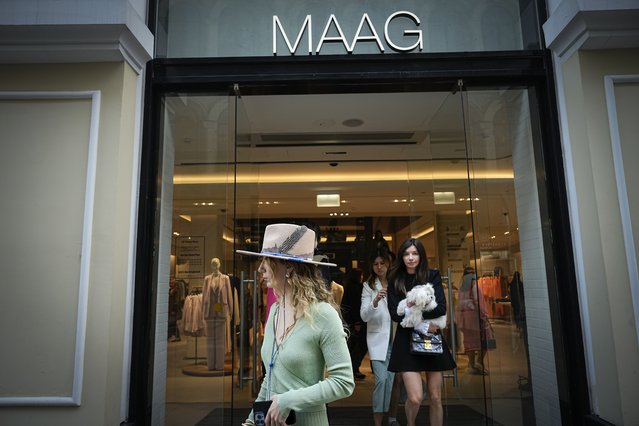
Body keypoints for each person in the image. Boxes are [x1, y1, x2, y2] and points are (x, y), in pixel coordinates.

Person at [237, 223, 355, 425]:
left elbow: (343, 382)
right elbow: (271, 377)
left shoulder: (323, 315)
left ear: (289, 267)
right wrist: (251, 421)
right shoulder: (275, 310)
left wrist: (288, 400)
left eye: (268, 260)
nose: (261, 268)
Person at [387, 238, 456, 426]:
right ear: (401, 257)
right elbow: (394, 313)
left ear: (421, 255)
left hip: (431, 339)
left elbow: (440, 308)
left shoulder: (431, 275)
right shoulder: (395, 278)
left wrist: (411, 311)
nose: (410, 258)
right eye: (406, 254)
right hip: (406, 341)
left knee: (435, 397)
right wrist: (422, 324)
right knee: (416, 397)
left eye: (414, 253)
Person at [360, 249, 402, 426]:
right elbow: (364, 316)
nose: (379, 267)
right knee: (382, 380)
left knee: (395, 383)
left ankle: (392, 418)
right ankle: (378, 422)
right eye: (376, 264)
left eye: (382, 263)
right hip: (378, 341)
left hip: (398, 340)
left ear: (388, 264)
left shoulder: (397, 283)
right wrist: (375, 301)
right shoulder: (369, 285)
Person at [455, 266, 491, 375]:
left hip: (465, 320)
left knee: (470, 343)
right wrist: (485, 317)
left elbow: (460, 305)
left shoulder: (462, 289)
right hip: (475, 319)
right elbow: (479, 304)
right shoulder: (475, 288)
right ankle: (479, 363)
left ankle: (472, 365)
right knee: (486, 340)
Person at [341, 267, 368, 379]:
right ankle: (354, 368)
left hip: (349, 321)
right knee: (358, 346)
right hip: (356, 322)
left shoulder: (347, 287)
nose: (362, 278)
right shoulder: (355, 288)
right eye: (360, 276)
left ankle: (352, 369)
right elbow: (356, 306)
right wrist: (357, 322)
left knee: (352, 346)